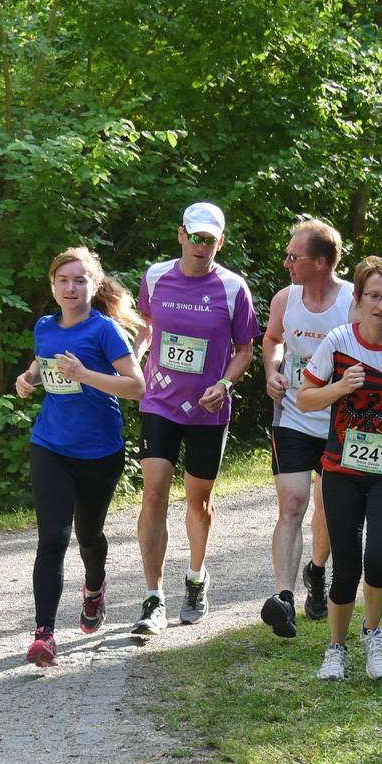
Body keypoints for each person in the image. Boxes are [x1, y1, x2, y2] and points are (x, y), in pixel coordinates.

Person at [297, 257, 382, 681]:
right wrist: (340, 386)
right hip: (341, 470)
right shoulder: (338, 341)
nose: (381, 305)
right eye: (374, 296)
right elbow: (305, 398)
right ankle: (335, 648)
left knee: (378, 559)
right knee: (346, 565)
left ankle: (372, 633)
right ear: (357, 299)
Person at [130, 202, 260, 636]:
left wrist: (224, 383)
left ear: (219, 243)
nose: (201, 246)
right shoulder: (155, 276)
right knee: (154, 496)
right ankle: (153, 598)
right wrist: (135, 355)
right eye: (195, 237)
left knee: (198, 501)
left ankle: (196, 578)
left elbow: (245, 350)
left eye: (210, 240)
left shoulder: (233, 288)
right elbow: (147, 325)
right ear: (181, 235)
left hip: (208, 409)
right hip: (160, 402)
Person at [12, 247, 147, 665]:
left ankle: (94, 587)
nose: (70, 288)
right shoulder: (44, 326)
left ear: (94, 285)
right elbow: (43, 362)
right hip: (50, 444)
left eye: (79, 280)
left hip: (98, 451)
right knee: (52, 538)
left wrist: (85, 375)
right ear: (53, 285)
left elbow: (137, 386)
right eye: (63, 280)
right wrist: (28, 378)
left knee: (88, 536)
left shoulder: (105, 330)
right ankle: (44, 634)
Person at [259, 219, 354, 638]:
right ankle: (284, 599)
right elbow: (272, 339)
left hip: (340, 420)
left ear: (320, 262)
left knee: (328, 506)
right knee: (293, 504)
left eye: (293, 257)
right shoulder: (285, 298)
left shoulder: (353, 300)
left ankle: (317, 571)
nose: (286, 263)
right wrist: (273, 371)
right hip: (294, 415)